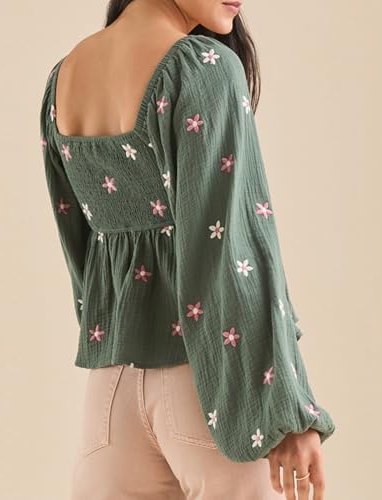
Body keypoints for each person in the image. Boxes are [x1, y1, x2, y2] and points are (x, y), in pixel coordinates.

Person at [39, 1, 336, 498]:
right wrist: (287, 410)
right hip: (208, 385)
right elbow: (234, 249)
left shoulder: (64, 77)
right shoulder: (202, 68)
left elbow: (80, 250)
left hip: (109, 395)